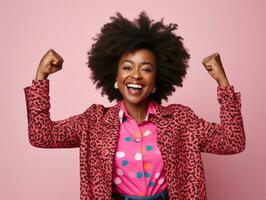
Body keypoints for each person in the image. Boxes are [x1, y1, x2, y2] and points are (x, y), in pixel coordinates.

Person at [24, 12, 246, 200]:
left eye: (146, 69)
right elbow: (42, 136)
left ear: (156, 82)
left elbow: (232, 142)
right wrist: (41, 77)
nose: (136, 76)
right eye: (128, 67)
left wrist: (222, 82)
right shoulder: (93, 122)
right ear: (115, 77)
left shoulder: (181, 120)